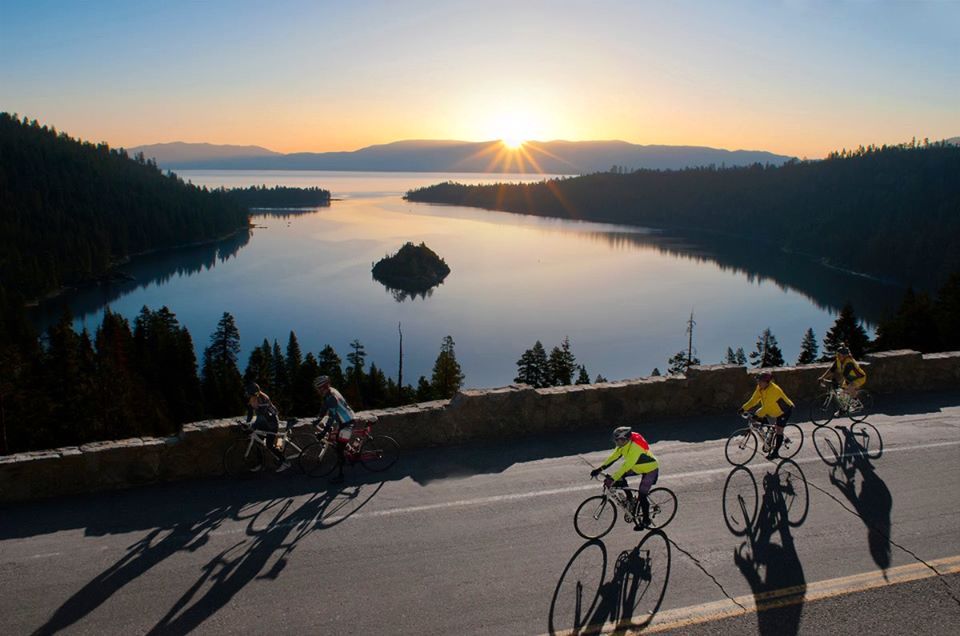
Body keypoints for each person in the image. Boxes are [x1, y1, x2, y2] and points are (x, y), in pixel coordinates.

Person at [590, 426, 660, 530]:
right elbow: (613, 457)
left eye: (617, 440)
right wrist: (600, 469)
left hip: (650, 469)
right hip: (637, 467)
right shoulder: (622, 445)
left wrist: (612, 479)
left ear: (625, 439)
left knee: (642, 495)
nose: (616, 443)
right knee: (619, 478)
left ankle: (646, 520)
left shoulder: (635, 448)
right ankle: (630, 499)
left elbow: (626, 467)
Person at [739, 371, 794, 460]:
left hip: (784, 411)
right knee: (761, 421)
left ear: (767, 382)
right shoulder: (760, 387)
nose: (758, 383)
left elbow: (766, 408)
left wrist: (756, 415)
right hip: (772, 410)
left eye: (760, 381)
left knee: (779, 429)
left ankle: (775, 453)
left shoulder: (774, 390)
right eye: (758, 381)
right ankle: (769, 438)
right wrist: (743, 408)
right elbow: (754, 400)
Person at [313, 375, 358, 483]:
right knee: (337, 440)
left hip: (348, 423)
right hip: (344, 421)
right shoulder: (329, 392)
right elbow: (324, 407)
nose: (318, 391)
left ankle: (341, 476)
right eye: (318, 389)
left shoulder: (332, 397)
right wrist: (319, 418)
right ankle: (352, 454)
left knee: (339, 450)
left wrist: (323, 432)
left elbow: (331, 417)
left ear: (325, 386)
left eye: (320, 388)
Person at [244, 381, 290, 472]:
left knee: (269, 445)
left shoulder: (263, 399)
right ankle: (260, 464)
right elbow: (250, 412)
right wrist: (247, 422)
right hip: (264, 422)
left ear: (255, 394)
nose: (249, 396)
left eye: (251, 395)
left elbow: (261, 416)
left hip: (271, 423)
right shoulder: (252, 397)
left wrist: (252, 426)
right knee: (257, 442)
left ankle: (285, 462)